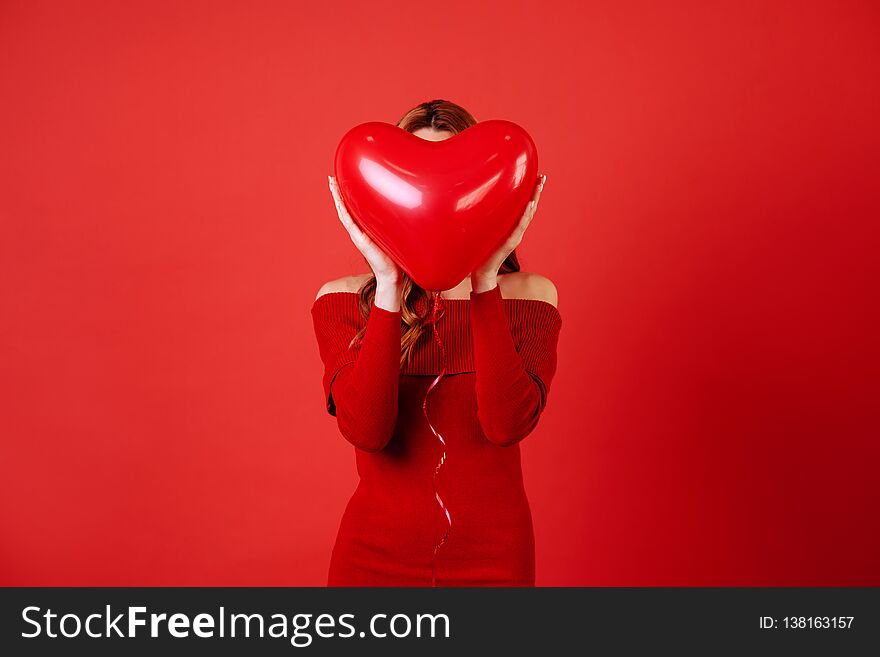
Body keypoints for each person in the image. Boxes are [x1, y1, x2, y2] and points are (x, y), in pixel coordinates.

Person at [311, 99, 561, 586]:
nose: (435, 207)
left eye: (454, 191)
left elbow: (505, 424)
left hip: (495, 558)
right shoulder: (341, 300)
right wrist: (387, 285)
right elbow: (367, 430)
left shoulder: (531, 296)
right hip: (373, 557)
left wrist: (485, 280)